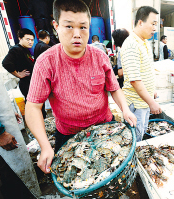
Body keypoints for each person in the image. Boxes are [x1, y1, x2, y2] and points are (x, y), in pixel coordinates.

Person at [25, 0, 137, 174]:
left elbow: (114, 88)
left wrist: (125, 110)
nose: (77, 34)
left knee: (113, 174)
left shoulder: (100, 56)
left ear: (89, 27)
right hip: (69, 134)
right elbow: (32, 107)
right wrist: (45, 146)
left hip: (104, 127)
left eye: (83, 27)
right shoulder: (45, 62)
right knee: (77, 180)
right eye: (69, 26)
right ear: (56, 26)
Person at [0, 14, 40, 199]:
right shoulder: (15, 51)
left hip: (2, 118)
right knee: (11, 174)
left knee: (17, 171)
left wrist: (8, 111)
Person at [121, 6, 162, 142]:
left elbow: (146, 70)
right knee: (134, 138)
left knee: (142, 132)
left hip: (144, 102)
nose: (155, 28)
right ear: (140, 22)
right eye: (153, 24)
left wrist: (152, 91)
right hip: (136, 104)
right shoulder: (131, 44)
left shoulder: (144, 42)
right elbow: (135, 80)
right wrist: (152, 103)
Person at [2, 28, 35, 99]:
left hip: (32, 83)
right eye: (27, 39)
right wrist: (18, 75)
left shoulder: (25, 49)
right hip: (27, 84)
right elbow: (6, 63)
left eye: (32, 40)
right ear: (20, 38)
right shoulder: (16, 49)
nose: (30, 42)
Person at [34, 30, 51, 119]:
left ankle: (44, 114)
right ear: (47, 37)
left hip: (41, 73)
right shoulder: (45, 47)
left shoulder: (37, 45)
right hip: (46, 74)